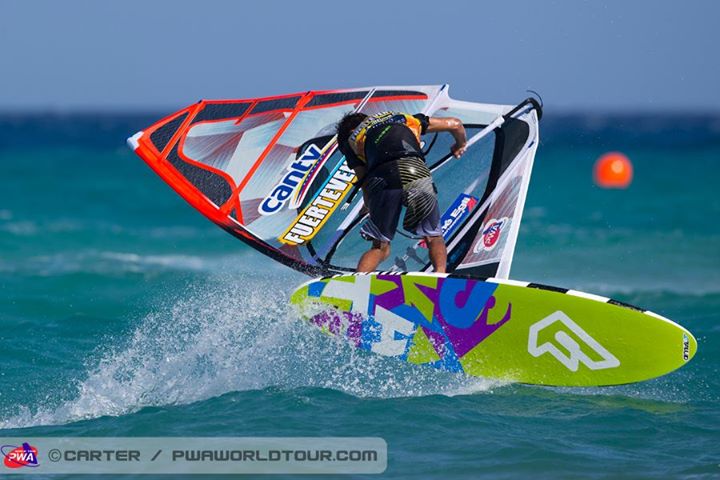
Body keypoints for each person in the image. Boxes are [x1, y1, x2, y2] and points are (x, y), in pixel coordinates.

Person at [336, 111, 467, 273]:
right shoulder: (403, 118)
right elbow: (455, 123)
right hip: (414, 169)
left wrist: (370, 206)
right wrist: (460, 144)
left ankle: (358, 282)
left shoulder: (353, 140)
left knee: (380, 247)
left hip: (382, 177)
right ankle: (440, 275)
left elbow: (364, 180)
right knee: (433, 237)